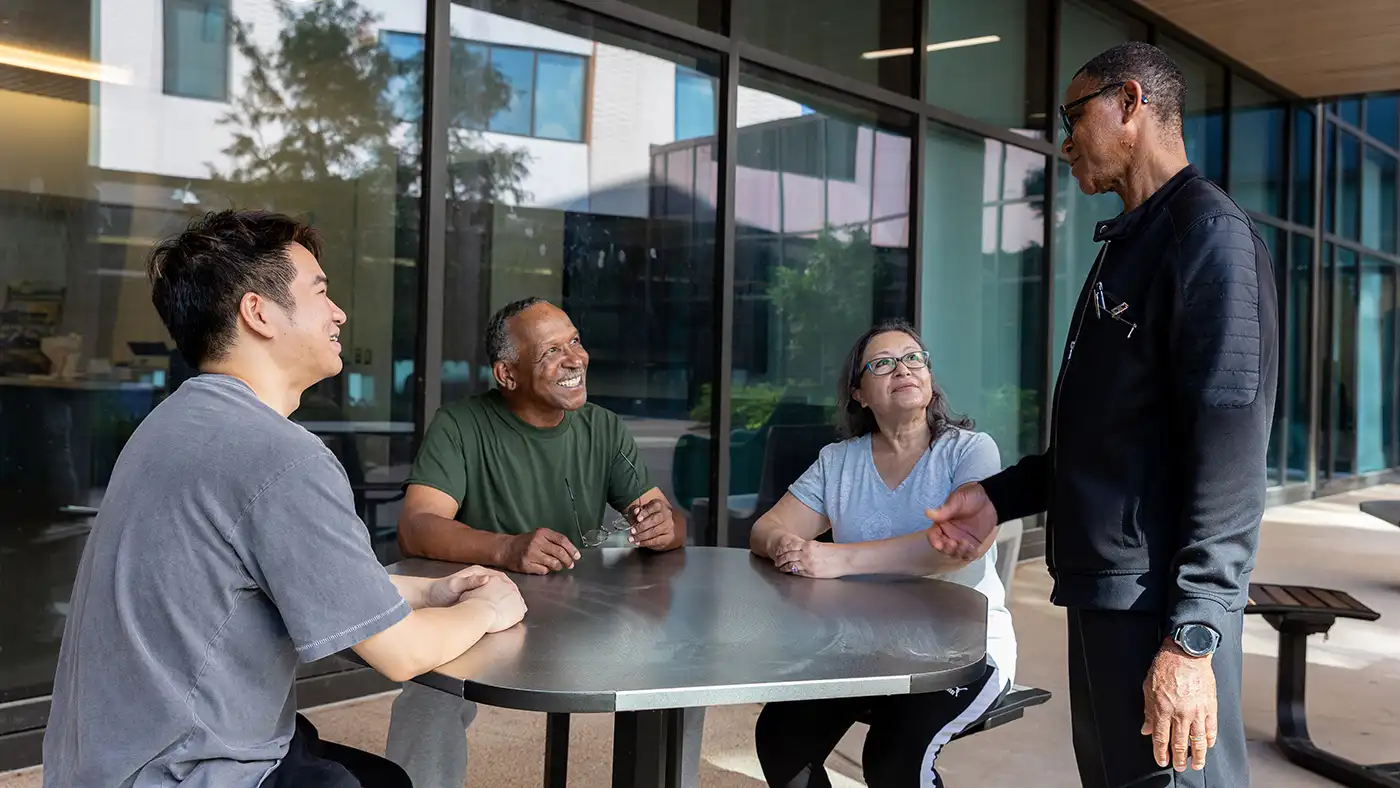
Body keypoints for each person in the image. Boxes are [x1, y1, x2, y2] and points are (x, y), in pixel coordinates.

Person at [41, 210, 527, 788]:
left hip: (109, 760)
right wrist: (488, 609)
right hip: (180, 770)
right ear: (259, 312)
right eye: (320, 291)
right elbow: (402, 654)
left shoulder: (174, 423)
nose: (339, 312)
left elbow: (271, 580)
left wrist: (433, 589)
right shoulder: (277, 454)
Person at [925, 42, 1277, 788]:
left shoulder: (1207, 238)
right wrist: (999, 496)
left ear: (1130, 103)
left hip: (1159, 608)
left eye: (1073, 116)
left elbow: (1231, 447)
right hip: (1107, 594)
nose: (1062, 142)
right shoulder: (1132, 242)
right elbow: (1113, 437)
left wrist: (1194, 636)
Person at [384, 296, 693, 788]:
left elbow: (665, 517)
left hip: (587, 612)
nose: (576, 358)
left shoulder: (604, 428)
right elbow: (416, 525)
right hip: (484, 609)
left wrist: (667, 528)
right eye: (552, 351)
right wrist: (507, 549)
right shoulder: (461, 425)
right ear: (507, 374)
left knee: (674, 672)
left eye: (575, 341)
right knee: (428, 701)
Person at [748, 319, 1015, 788]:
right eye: (884, 363)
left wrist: (836, 559)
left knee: (894, 759)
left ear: (930, 378)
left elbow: (958, 548)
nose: (904, 369)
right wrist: (786, 546)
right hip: (861, 649)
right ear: (859, 394)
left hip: (960, 650)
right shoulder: (839, 461)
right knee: (780, 736)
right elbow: (767, 529)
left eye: (914, 358)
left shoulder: (969, 451)